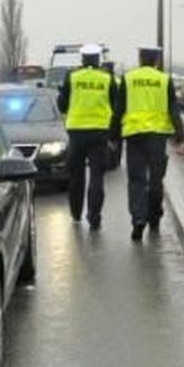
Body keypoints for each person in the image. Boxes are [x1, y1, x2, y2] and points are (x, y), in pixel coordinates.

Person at [117, 47, 184, 241]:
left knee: (136, 179)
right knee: (156, 181)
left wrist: (113, 136)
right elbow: (173, 109)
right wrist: (180, 136)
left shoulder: (128, 79)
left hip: (135, 135)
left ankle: (138, 219)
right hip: (157, 136)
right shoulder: (164, 80)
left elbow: (119, 109)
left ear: (139, 58)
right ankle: (154, 217)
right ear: (157, 60)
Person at [57, 44, 117, 230]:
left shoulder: (72, 76)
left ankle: (76, 213)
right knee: (97, 176)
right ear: (98, 59)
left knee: (76, 175)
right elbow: (115, 104)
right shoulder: (107, 78)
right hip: (100, 132)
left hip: (76, 132)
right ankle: (94, 216)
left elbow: (62, 104)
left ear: (82, 59)